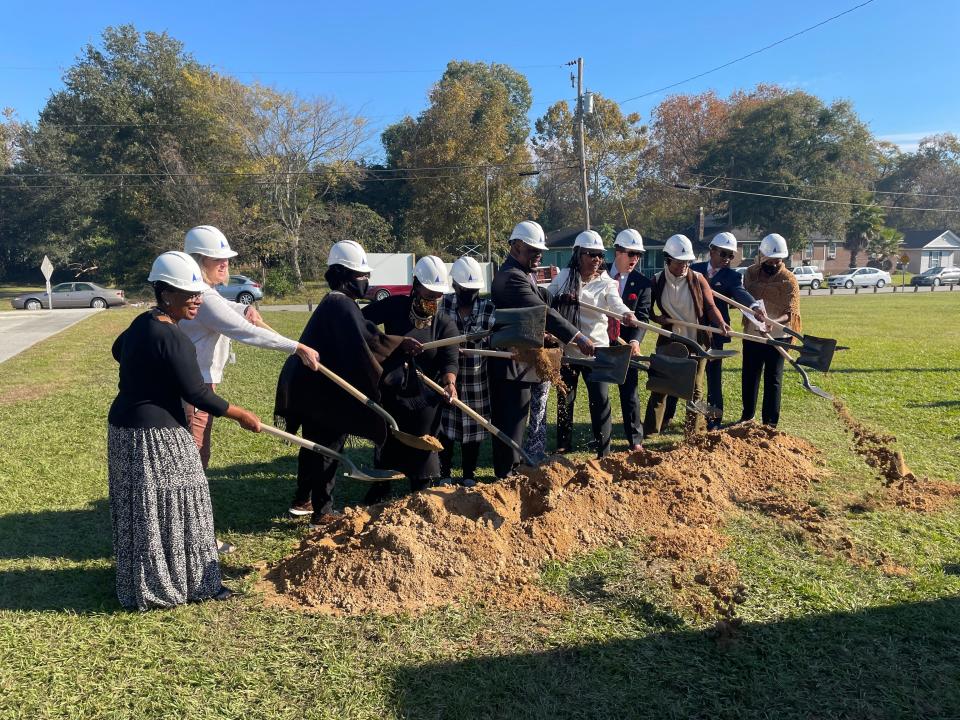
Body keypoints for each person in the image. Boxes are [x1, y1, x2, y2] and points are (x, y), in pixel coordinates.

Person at [107, 251, 261, 610]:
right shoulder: (174, 337)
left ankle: (145, 579)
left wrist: (150, 374)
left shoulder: (142, 323)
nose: (195, 300)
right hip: (158, 435)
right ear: (165, 293)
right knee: (186, 503)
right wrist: (241, 415)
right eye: (186, 293)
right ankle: (196, 584)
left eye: (197, 293)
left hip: (124, 430)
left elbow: (119, 351)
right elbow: (197, 393)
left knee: (143, 506)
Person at [275, 240, 399, 528]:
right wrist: (402, 345)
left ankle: (302, 500)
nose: (366, 281)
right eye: (360, 275)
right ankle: (322, 512)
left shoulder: (335, 301)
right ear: (343, 275)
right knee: (327, 450)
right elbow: (370, 341)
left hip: (313, 389)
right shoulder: (341, 305)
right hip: (322, 394)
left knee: (313, 446)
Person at [179, 225, 320, 470]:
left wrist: (244, 309)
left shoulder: (202, 293)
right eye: (217, 260)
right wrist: (297, 347)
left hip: (196, 383)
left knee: (198, 452)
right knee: (195, 456)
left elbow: (223, 308)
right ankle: (189, 507)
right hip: (195, 386)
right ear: (198, 261)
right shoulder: (204, 297)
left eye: (226, 259)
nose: (224, 264)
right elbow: (246, 332)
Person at [489, 221, 591, 479]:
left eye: (540, 251)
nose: (539, 256)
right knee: (511, 424)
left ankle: (513, 471)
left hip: (521, 363)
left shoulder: (522, 274)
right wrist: (577, 337)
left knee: (518, 422)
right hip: (511, 364)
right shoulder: (511, 277)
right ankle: (506, 476)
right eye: (534, 251)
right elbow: (543, 312)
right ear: (517, 246)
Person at [362, 256, 459, 504]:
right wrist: (395, 343)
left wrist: (449, 382)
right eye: (430, 292)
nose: (434, 299)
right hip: (392, 388)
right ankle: (383, 484)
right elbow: (361, 325)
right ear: (415, 284)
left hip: (426, 395)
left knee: (422, 442)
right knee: (388, 438)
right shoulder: (394, 307)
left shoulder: (444, 323)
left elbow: (450, 359)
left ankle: (421, 486)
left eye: (439, 294)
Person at [548, 230, 639, 457]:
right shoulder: (564, 277)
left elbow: (616, 304)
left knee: (600, 400)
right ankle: (563, 444)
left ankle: (603, 449)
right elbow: (547, 299)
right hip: (569, 349)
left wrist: (626, 314)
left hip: (596, 351)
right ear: (579, 254)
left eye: (600, 255)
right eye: (591, 254)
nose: (597, 259)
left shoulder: (606, 282)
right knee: (565, 399)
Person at [643, 234, 730, 437]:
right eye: (679, 262)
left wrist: (720, 322)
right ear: (668, 259)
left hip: (696, 341)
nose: (684, 266)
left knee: (695, 389)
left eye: (687, 262)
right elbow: (646, 310)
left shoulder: (698, 279)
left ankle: (693, 432)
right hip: (670, 339)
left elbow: (710, 306)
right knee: (661, 385)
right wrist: (658, 319)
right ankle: (650, 431)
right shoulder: (656, 281)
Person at [690, 232, 766, 430]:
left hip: (716, 332)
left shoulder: (732, 276)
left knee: (713, 377)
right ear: (712, 251)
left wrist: (755, 307)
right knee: (689, 375)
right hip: (692, 331)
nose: (726, 259)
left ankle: (713, 420)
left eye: (730, 256)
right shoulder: (693, 270)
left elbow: (740, 294)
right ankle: (677, 416)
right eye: (723, 254)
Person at [438, 256, 495, 487]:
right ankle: (444, 473)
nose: (470, 294)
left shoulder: (488, 308)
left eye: (474, 289)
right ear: (455, 286)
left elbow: (497, 335)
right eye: (465, 289)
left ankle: (469, 474)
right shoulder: (443, 306)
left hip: (476, 379)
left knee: (472, 428)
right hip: (445, 377)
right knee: (446, 427)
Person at [739, 233, 802, 428]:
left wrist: (772, 321)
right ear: (761, 256)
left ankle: (770, 423)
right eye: (770, 260)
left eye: (778, 261)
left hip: (778, 338)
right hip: (752, 335)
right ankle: (747, 417)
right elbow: (742, 298)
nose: (774, 264)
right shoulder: (750, 274)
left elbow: (791, 311)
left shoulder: (789, 279)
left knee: (773, 380)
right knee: (750, 376)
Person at [607, 228, 652, 450]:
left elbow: (643, 315)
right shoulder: (601, 273)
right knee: (600, 392)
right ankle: (599, 439)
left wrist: (635, 340)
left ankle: (635, 440)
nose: (635, 259)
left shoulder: (642, 283)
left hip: (626, 345)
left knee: (630, 392)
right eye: (631, 253)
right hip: (599, 341)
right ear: (618, 252)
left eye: (638, 255)